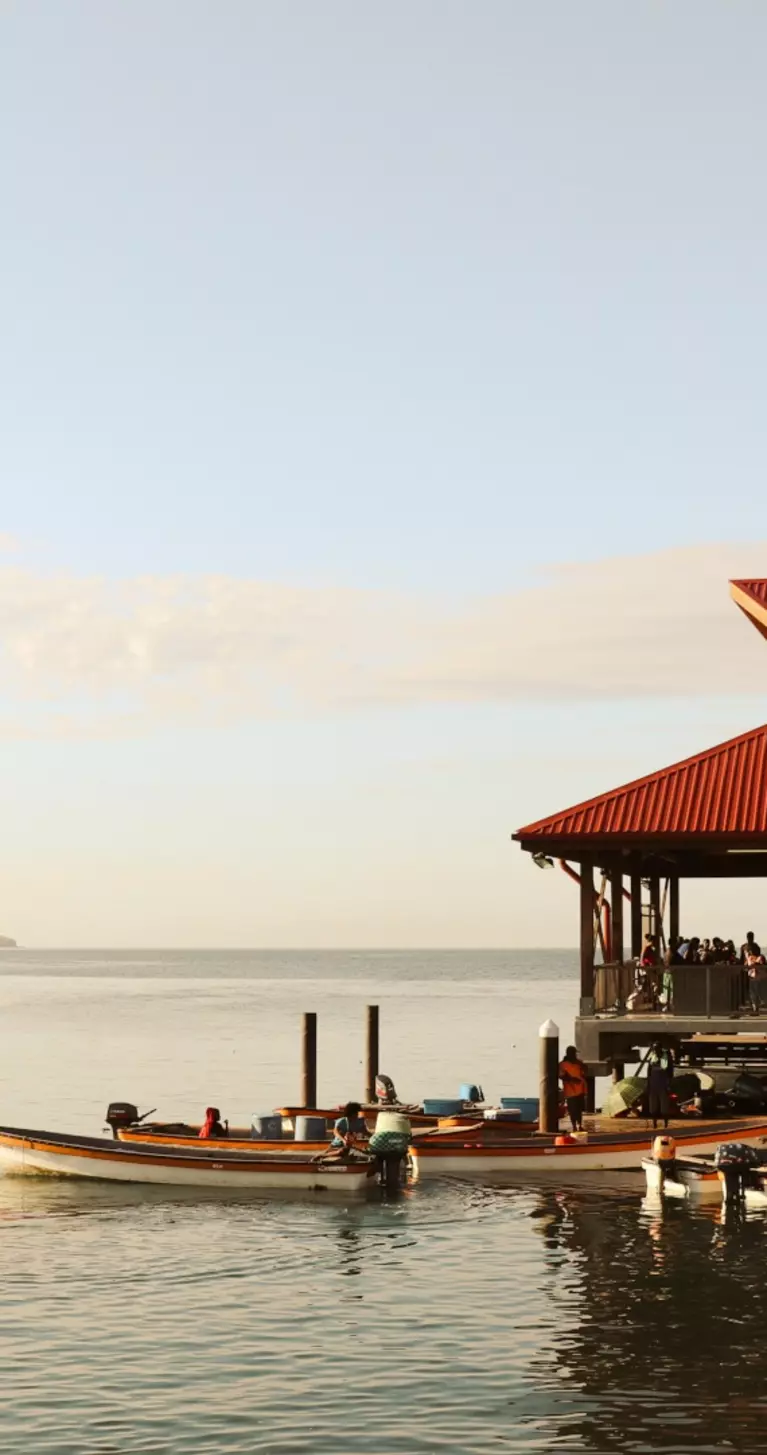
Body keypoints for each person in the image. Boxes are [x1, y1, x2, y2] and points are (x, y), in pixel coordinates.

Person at [558, 1046, 587, 1133]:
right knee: (572, 1109)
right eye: (574, 1053)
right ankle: (574, 1125)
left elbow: (584, 1072)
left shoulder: (579, 1063)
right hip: (570, 1091)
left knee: (579, 1109)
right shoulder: (563, 1064)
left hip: (581, 1090)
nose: (575, 1055)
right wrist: (572, 1079)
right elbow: (561, 1076)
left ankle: (579, 1125)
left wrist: (583, 1067)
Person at [646, 1042, 674, 1130]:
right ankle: (654, 1124)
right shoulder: (652, 1058)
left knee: (664, 1108)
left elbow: (670, 1073)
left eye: (657, 1049)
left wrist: (669, 1084)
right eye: (654, 1049)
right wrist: (648, 1084)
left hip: (663, 1084)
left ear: (660, 1049)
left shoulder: (667, 1058)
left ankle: (666, 1124)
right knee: (653, 1107)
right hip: (654, 1084)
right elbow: (648, 1073)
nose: (656, 1051)